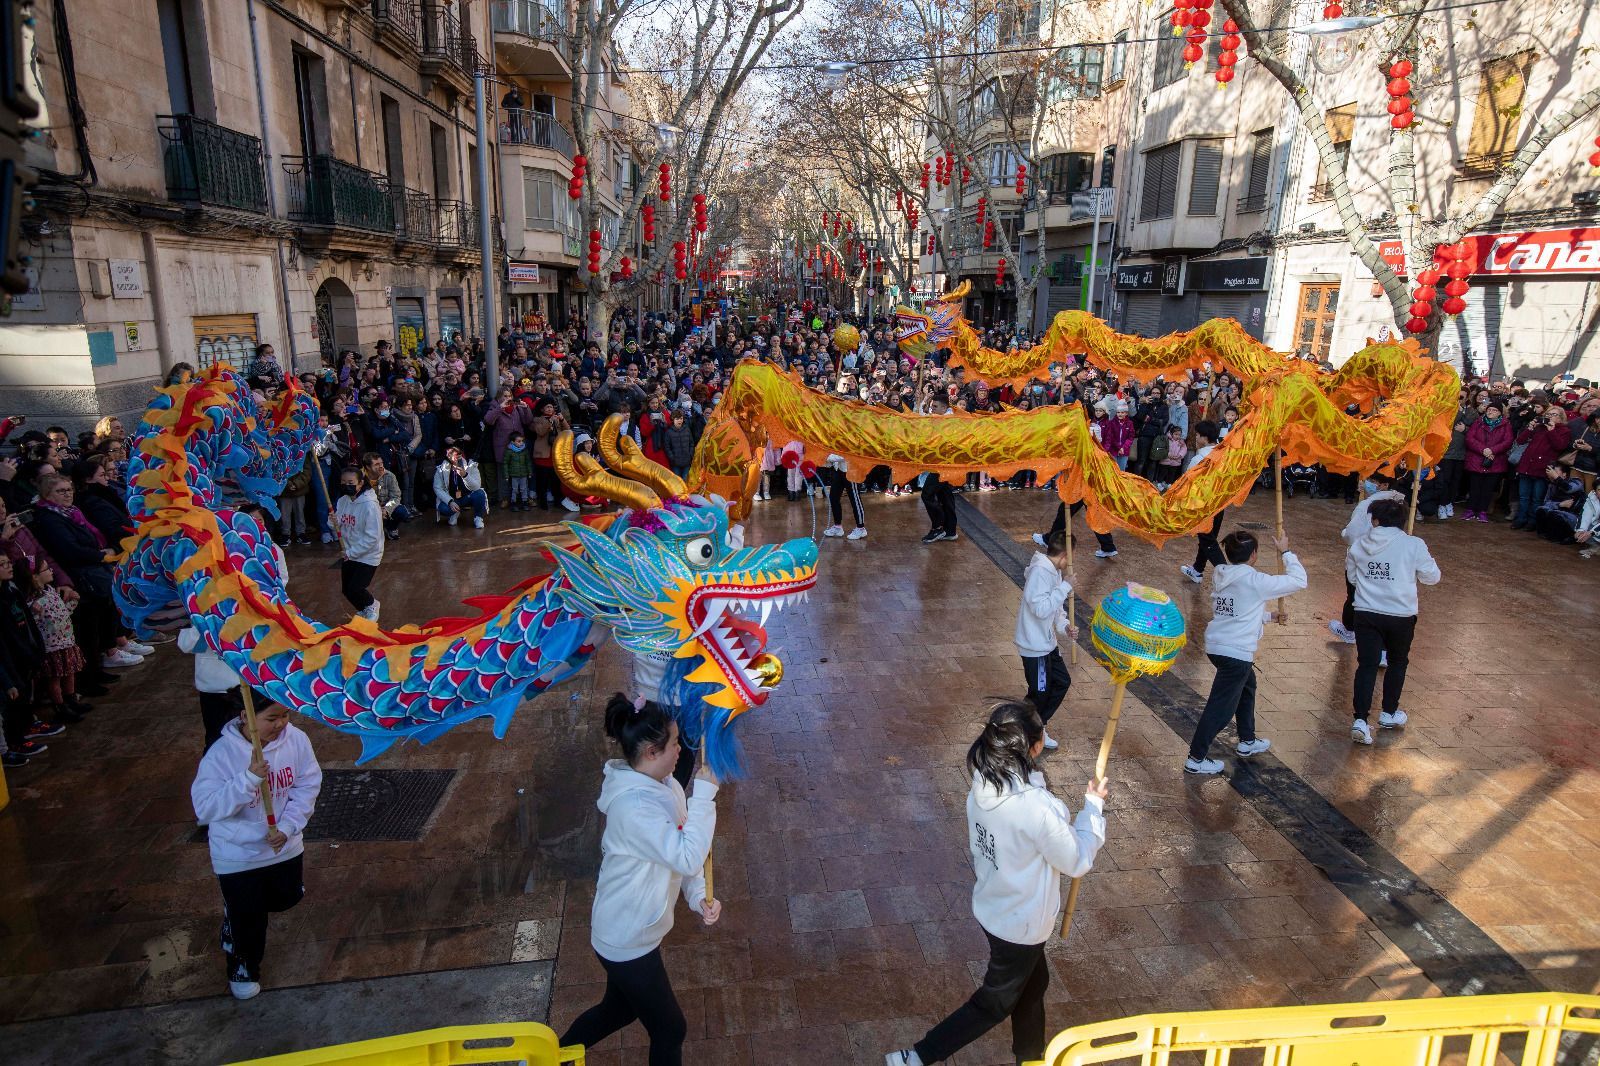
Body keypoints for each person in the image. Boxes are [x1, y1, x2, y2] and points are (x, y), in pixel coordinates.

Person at [887, 701, 1107, 1066]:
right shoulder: (1037, 808)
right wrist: (1093, 809)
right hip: (1020, 925)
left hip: (994, 906)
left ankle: (1030, 1056)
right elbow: (1076, 860)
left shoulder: (982, 785)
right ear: (1032, 747)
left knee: (1033, 986)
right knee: (995, 1002)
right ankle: (917, 1057)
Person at [559, 695, 720, 1066]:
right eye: (676, 743)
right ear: (650, 751)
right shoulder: (633, 808)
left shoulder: (667, 786)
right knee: (670, 1029)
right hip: (626, 937)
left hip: (630, 931)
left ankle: (551, 1059)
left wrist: (698, 896)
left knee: (617, 1011)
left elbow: (684, 854)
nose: (682, 749)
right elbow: (686, 853)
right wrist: (706, 795)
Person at [190, 690, 322, 1000]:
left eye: (285, 715)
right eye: (271, 718)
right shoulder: (221, 753)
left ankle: (235, 919)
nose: (280, 724)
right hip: (238, 854)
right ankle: (243, 965)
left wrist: (288, 827)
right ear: (245, 717)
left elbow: (307, 785)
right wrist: (248, 779)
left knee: (286, 897)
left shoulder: (297, 740)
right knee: (248, 919)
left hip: (283, 846)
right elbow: (206, 808)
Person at [1184, 531, 1306, 774]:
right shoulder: (1256, 581)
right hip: (1236, 653)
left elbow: (1237, 612)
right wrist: (1286, 552)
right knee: (1220, 707)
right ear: (1254, 555)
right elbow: (1299, 580)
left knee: (1248, 685)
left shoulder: (1222, 576)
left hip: (1219, 647)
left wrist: (1269, 617)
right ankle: (1195, 758)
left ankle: (1247, 740)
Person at [1346, 499, 1441, 745]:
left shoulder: (1358, 545)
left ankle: (1360, 720)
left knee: (1366, 665)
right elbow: (1432, 577)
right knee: (1397, 662)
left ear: (1375, 520)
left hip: (1366, 612)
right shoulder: (1414, 544)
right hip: (1401, 615)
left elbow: (1353, 578)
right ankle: (1388, 713)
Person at [1328, 470, 1407, 644]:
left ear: (1384, 485)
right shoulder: (1400, 502)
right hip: (1391, 563)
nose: (1366, 483)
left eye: (1372, 480)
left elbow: (1352, 535)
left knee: (1354, 597)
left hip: (1363, 561)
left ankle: (1350, 631)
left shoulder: (1367, 506)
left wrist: (1344, 533)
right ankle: (1385, 646)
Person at [1015, 531, 1076, 751]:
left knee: (1061, 682)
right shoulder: (1040, 572)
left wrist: (1065, 626)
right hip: (1035, 646)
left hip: (1047, 644)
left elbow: (1055, 609)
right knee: (1039, 693)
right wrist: (1065, 587)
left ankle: (1036, 725)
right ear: (1065, 556)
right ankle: (1026, 729)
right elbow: (1040, 609)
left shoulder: (1054, 572)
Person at [334, 467, 384, 621]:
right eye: (343, 482)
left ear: (361, 483)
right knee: (347, 589)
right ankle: (363, 608)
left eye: (350, 482)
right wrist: (333, 522)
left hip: (368, 554)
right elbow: (338, 525)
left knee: (356, 587)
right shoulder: (343, 501)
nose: (346, 485)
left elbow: (372, 537)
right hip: (349, 551)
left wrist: (352, 552)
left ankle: (371, 605)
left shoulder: (370, 505)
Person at [1179, 421, 1224, 583]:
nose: (1196, 438)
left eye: (1197, 435)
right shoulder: (1225, 454)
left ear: (1204, 438)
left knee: (1208, 541)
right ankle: (1198, 569)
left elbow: (1187, 483)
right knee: (1208, 539)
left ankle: (1227, 575)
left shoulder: (1199, 459)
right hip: (1221, 503)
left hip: (1204, 506)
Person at [1462, 402, 1512, 521]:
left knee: (1487, 488)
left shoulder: (1506, 425)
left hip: (1495, 461)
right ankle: (1470, 509)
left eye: (1494, 410)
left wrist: (1492, 450)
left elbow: (1508, 441)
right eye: (1489, 409)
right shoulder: (1478, 422)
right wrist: (1483, 449)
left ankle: (1482, 511)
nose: (1490, 412)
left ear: (1500, 413)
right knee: (1474, 486)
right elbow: (1470, 438)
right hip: (1477, 459)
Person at [433, 445, 489, 528]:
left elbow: (477, 486)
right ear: (448, 457)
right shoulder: (441, 469)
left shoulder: (471, 465)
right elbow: (437, 488)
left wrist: (465, 475)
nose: (457, 459)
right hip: (452, 498)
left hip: (466, 497)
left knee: (480, 494)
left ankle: (478, 518)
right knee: (444, 508)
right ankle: (455, 512)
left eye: (459, 456)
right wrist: (450, 501)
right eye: (455, 457)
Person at [822, 454, 868, 541]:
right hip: (839, 469)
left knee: (855, 499)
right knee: (833, 497)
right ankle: (838, 526)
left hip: (851, 470)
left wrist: (827, 457)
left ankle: (861, 528)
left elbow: (846, 453)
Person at [503, 431, 532, 511]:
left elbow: (528, 462)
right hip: (514, 474)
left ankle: (525, 502)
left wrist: (529, 472)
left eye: (522, 441)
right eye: (519, 441)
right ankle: (513, 503)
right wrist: (506, 475)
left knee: (524, 488)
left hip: (523, 474)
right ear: (513, 442)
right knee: (514, 489)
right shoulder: (509, 451)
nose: (521, 443)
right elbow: (505, 463)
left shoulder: (524, 450)